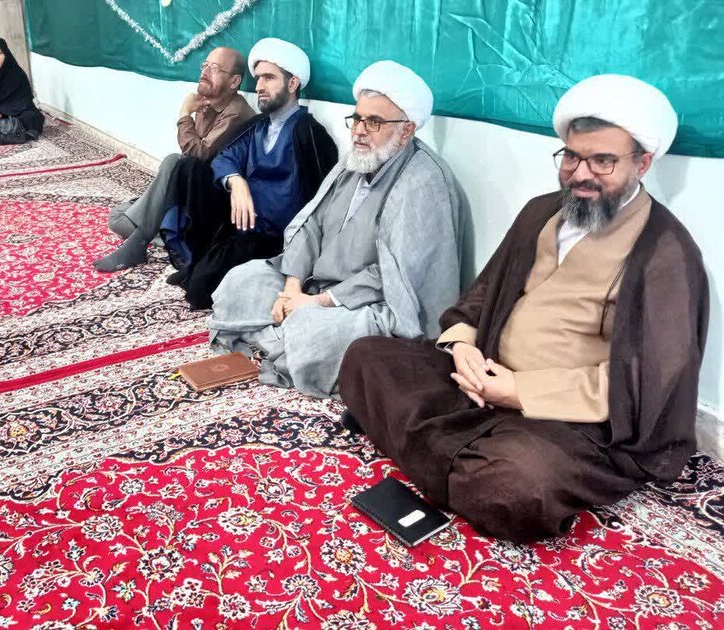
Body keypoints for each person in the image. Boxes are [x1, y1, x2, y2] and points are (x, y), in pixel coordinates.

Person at [338, 74, 709, 543]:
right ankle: (456, 458)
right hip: (481, 378)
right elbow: (480, 297)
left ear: (643, 163)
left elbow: (645, 384)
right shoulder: (541, 211)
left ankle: (437, 449)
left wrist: (520, 391)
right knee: (366, 356)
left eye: (603, 161)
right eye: (571, 156)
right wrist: (463, 348)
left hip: (569, 420)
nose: (581, 174)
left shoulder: (666, 254)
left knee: (516, 485)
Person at [209, 61, 468, 397]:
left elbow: (394, 275)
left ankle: (282, 339)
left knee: (310, 330)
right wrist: (292, 288)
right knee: (240, 281)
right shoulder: (356, 159)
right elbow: (311, 223)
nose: (359, 131)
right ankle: (282, 341)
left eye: (374, 122)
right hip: (316, 284)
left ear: (406, 130)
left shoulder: (423, 181)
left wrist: (319, 302)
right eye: (357, 118)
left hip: (371, 304)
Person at [172, 37, 339, 309]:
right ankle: (202, 260)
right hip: (240, 226)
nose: (259, 86)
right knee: (190, 168)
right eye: (258, 78)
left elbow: (324, 201)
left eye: (269, 78)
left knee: (200, 291)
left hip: (275, 240)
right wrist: (236, 182)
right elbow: (224, 157)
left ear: (292, 84)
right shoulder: (258, 126)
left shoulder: (309, 133)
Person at [94, 46, 255, 272]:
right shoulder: (207, 103)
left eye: (215, 68)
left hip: (209, 206)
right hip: (187, 195)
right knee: (116, 216)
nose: (205, 72)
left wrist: (184, 114)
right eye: (205, 65)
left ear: (234, 81)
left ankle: (142, 239)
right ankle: (162, 229)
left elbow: (196, 156)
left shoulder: (236, 113)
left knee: (173, 162)